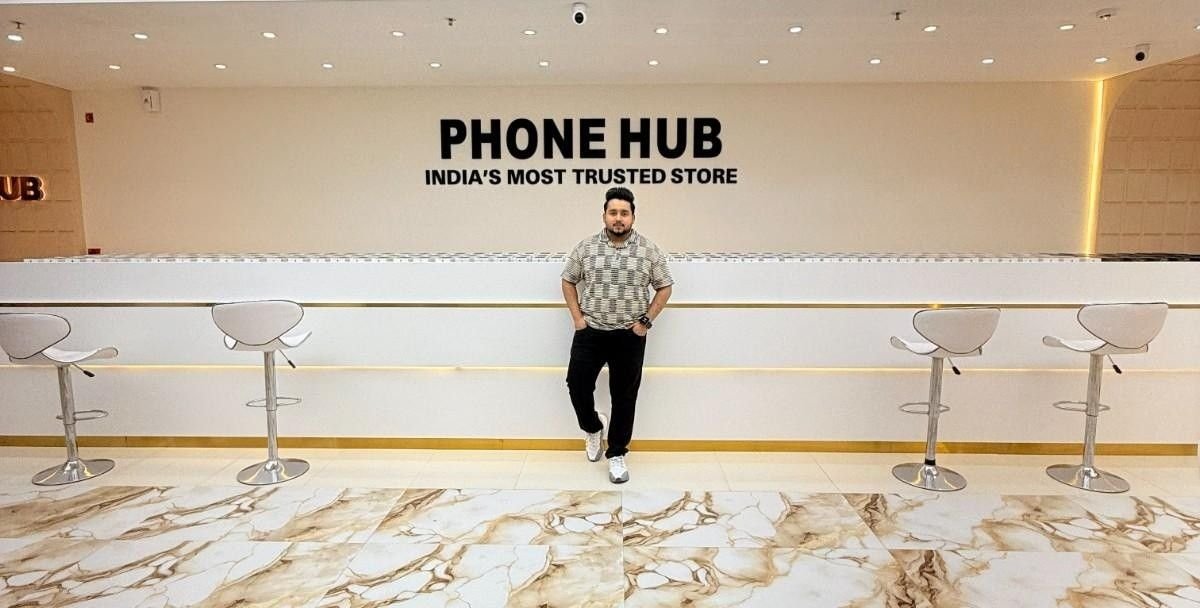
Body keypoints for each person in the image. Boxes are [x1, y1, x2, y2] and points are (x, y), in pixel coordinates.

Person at [561, 186, 673, 483]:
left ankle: (617, 454)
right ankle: (593, 427)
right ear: (604, 216)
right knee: (576, 385)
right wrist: (578, 319)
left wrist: (645, 322)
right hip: (591, 332)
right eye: (613, 213)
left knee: (624, 397)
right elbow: (568, 280)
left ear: (633, 217)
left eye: (624, 213)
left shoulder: (649, 250)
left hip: (629, 336)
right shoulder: (586, 247)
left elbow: (665, 286)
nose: (618, 218)